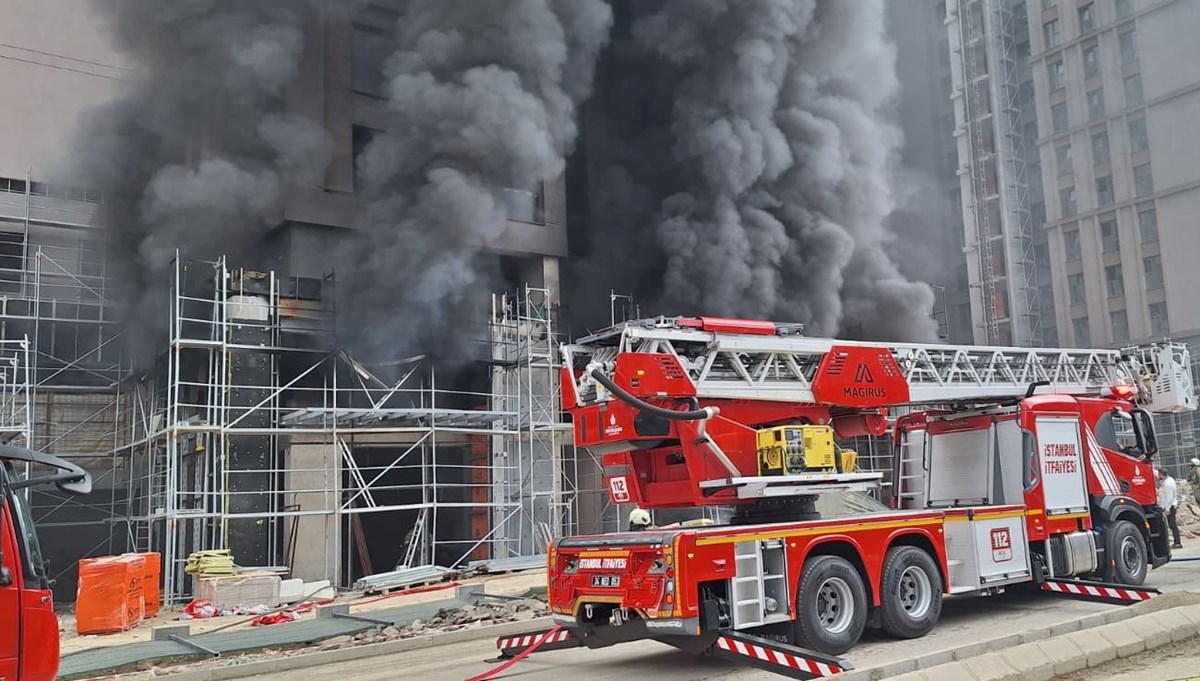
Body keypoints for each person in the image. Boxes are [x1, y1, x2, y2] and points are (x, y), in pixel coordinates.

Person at [1158, 468, 1182, 549]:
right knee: (1172, 525)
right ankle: (1177, 542)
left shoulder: (1167, 484)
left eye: (1159, 474)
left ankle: (1177, 543)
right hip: (1171, 505)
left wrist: (1167, 509)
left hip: (1170, 506)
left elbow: (1169, 497)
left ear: (1162, 474)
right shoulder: (1169, 480)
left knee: (1172, 525)